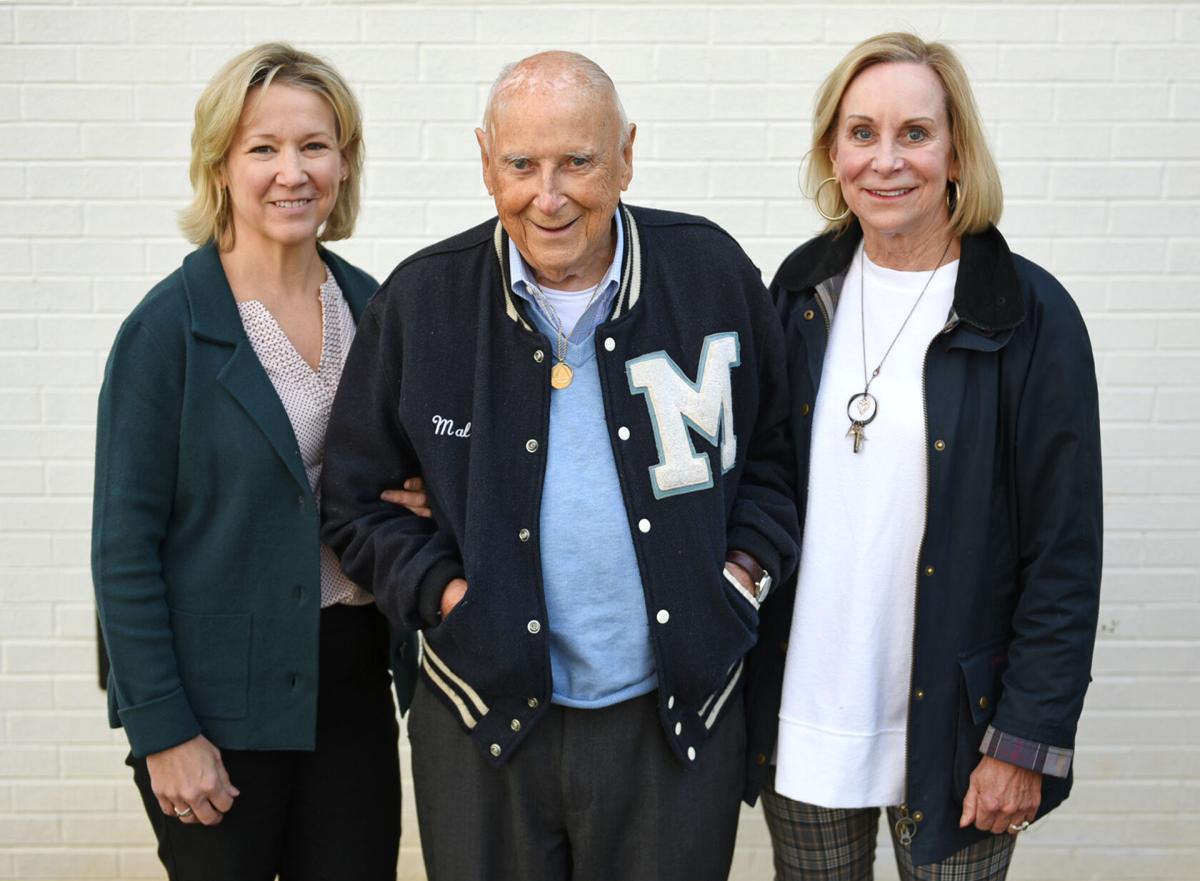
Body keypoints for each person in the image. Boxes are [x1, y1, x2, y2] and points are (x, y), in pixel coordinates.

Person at [320, 50, 800, 881]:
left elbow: (775, 456)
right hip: (483, 717)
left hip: (674, 715)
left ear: (625, 154)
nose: (549, 195)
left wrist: (741, 576)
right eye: (521, 165)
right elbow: (358, 503)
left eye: (577, 161)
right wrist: (449, 595)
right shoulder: (422, 301)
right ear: (484, 161)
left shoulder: (711, 273)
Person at [741, 32, 1103, 880]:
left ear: (956, 152)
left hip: (959, 731)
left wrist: (1026, 740)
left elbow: (1064, 553)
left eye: (915, 133)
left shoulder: (1027, 314)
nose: (887, 160)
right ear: (832, 151)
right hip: (811, 710)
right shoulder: (798, 295)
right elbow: (747, 477)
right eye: (862, 132)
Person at [91, 43, 414, 881]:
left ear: (344, 161)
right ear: (220, 165)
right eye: (262, 148)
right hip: (215, 706)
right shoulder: (167, 330)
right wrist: (162, 731)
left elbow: (403, 479)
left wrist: (422, 500)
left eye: (314, 145)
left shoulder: (376, 308)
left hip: (352, 685)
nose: (291, 172)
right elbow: (123, 549)